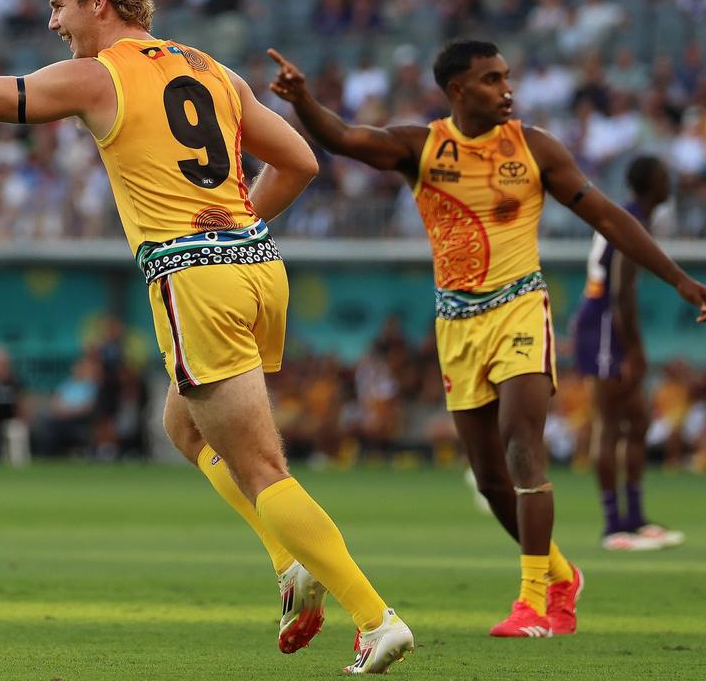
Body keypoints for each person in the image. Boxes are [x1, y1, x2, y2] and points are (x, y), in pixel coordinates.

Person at [0, 0, 413, 674]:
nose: (53, 20)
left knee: (261, 466)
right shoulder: (211, 67)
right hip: (255, 270)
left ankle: (375, 618)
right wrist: (246, 218)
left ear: (100, 2)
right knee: (182, 424)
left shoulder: (96, 77)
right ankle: (289, 561)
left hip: (194, 279)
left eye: (59, 4)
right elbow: (302, 162)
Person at [269, 39, 706, 639]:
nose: (507, 89)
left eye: (507, 76)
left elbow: (607, 216)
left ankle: (532, 603)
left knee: (522, 442)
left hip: (521, 308)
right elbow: (345, 138)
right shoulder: (420, 147)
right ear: (457, 91)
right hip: (458, 325)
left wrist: (681, 280)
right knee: (492, 476)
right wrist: (305, 101)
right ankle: (560, 574)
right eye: (491, 79)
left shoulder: (534, 148)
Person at [571, 155, 685, 552]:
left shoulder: (633, 215)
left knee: (637, 420)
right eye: (664, 175)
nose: (670, 181)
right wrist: (634, 349)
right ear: (651, 182)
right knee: (609, 421)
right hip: (602, 321)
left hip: (609, 321)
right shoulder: (629, 218)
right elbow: (620, 288)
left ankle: (635, 519)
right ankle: (613, 526)